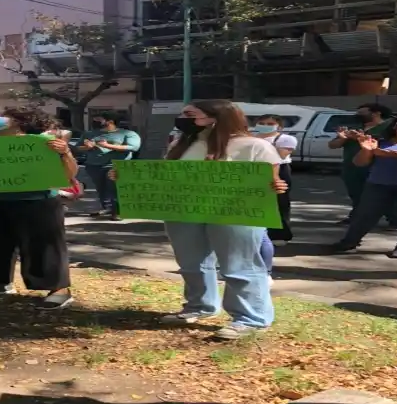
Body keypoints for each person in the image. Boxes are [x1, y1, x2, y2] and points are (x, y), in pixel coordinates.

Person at [114, 100, 287, 340]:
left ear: (217, 117)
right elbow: (164, 177)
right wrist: (126, 177)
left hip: (235, 214)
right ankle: (199, 306)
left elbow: (269, 183)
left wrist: (275, 186)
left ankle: (251, 318)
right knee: (192, 263)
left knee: (239, 266)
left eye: (190, 114)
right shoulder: (182, 144)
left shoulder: (255, 146)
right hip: (184, 212)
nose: (183, 118)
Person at [0, 108, 78, 310]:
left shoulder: (43, 142)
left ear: (19, 122)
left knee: (43, 246)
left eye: (4, 116)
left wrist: (65, 153)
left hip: (36, 200)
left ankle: (59, 289)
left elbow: (68, 174)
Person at [330, 114, 397, 259]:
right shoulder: (380, 141)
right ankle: (349, 242)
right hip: (378, 184)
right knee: (365, 214)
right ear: (395, 125)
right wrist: (367, 150)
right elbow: (359, 163)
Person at [329, 103, 395, 224]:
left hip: (377, 167)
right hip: (352, 167)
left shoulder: (389, 128)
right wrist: (343, 138)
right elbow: (332, 145)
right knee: (356, 193)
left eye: (362, 112)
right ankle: (357, 217)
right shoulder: (354, 127)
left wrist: (361, 139)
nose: (358, 115)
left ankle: (393, 219)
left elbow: (391, 145)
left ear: (376, 113)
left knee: (381, 194)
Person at [77, 112, 141, 220]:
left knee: (115, 189)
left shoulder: (127, 133)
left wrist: (107, 145)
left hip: (115, 165)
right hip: (94, 166)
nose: (95, 122)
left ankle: (118, 211)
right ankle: (106, 208)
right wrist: (86, 147)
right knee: (101, 188)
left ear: (110, 121)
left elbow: (133, 147)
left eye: (98, 119)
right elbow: (78, 148)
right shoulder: (88, 134)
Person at [252, 114, 297, 245]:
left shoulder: (286, 139)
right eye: (262, 123)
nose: (265, 126)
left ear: (279, 126)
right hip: (256, 170)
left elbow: (281, 155)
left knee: (279, 203)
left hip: (279, 170)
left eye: (270, 124)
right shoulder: (252, 137)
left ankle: (280, 235)